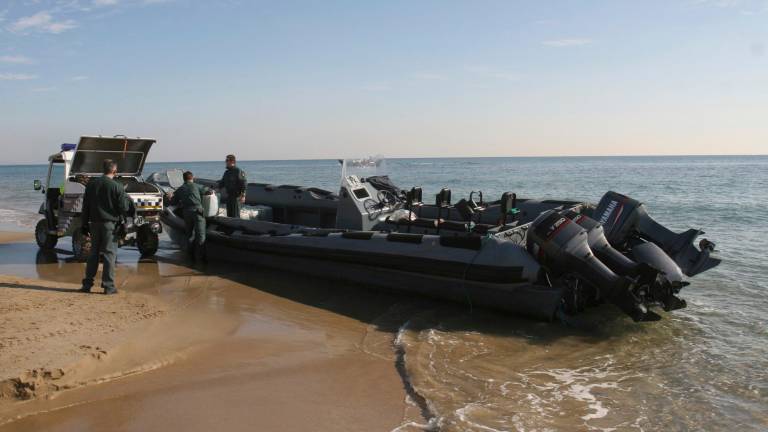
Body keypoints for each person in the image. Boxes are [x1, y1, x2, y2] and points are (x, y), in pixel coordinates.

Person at [80, 159, 129, 294]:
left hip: (94, 223)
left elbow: (86, 206)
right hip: (109, 225)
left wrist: (84, 224)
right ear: (114, 170)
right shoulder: (117, 186)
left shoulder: (91, 185)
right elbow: (123, 208)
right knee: (109, 254)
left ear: (103, 169)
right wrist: (124, 223)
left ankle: (87, 285)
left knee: (93, 254)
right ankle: (108, 286)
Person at [170, 171, 212, 262]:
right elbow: (208, 191)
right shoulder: (196, 186)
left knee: (189, 234)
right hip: (197, 212)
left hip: (187, 213)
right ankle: (201, 258)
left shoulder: (180, 189)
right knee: (200, 235)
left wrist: (170, 196)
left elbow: (173, 202)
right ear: (192, 178)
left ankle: (190, 256)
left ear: (183, 179)